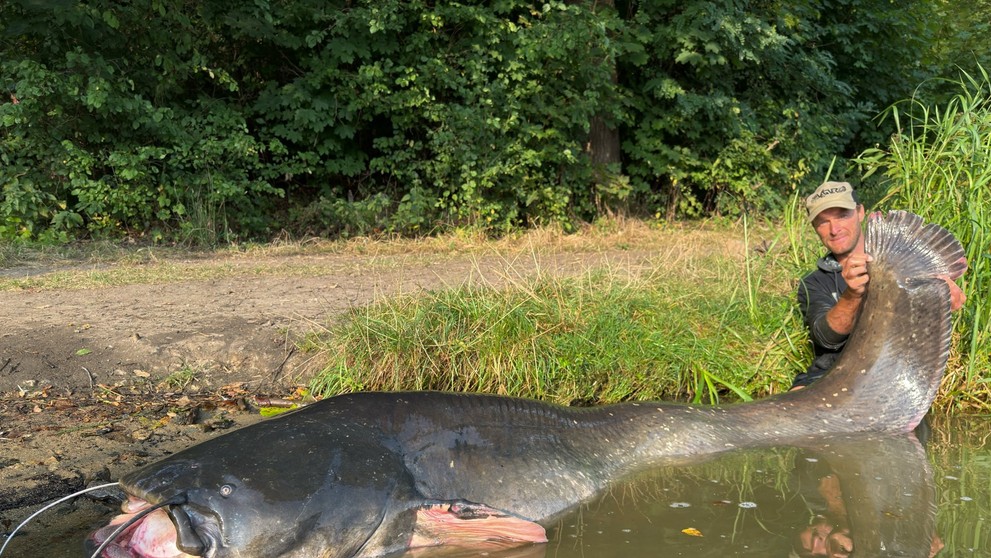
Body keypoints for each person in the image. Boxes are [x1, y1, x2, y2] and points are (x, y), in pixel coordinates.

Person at [793, 181, 966, 389]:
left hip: (895, 373)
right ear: (815, 228)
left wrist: (942, 295)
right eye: (822, 222)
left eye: (842, 215)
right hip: (831, 375)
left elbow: (955, 302)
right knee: (793, 398)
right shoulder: (814, 282)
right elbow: (825, 338)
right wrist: (852, 295)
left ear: (860, 212)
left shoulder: (903, 259)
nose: (834, 229)